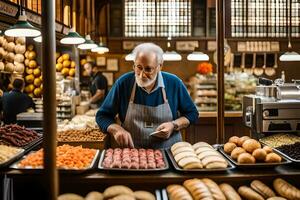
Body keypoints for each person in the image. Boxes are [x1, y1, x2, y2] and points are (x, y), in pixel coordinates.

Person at [96, 43, 198, 149]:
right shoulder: (124, 83)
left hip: (169, 151)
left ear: (159, 67)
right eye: (139, 68)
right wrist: (117, 129)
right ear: (133, 65)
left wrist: (174, 125)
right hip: (132, 154)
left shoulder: (174, 83)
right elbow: (102, 116)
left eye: (148, 69)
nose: (142, 75)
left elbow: (192, 114)